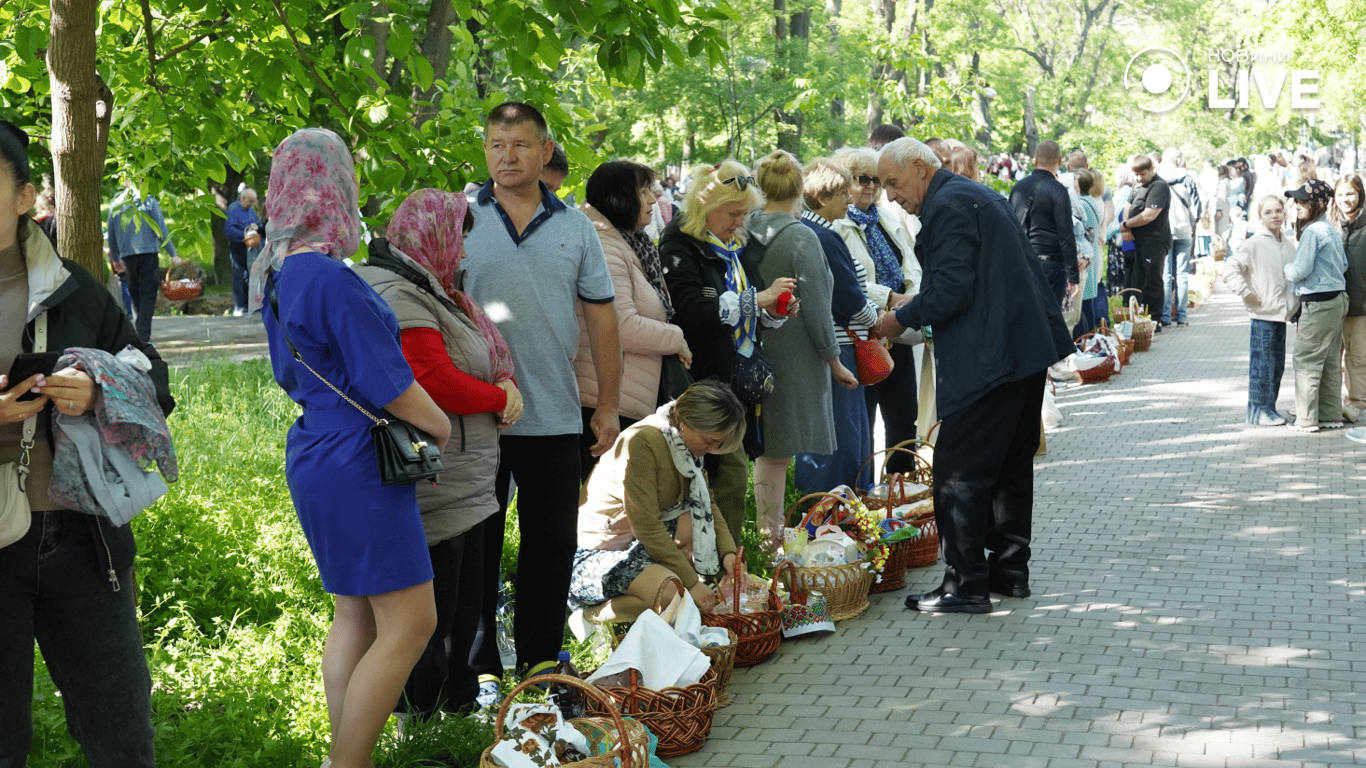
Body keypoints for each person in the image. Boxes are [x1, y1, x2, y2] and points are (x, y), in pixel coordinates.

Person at [250, 128, 450, 768]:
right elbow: (388, 382)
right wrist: (441, 426)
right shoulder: (332, 278)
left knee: (355, 618)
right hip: (358, 458)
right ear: (335, 188)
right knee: (411, 624)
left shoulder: (278, 274)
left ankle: (349, 756)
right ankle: (349, 763)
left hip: (315, 448)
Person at [0, 119, 175, 768]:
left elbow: (153, 377)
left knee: (123, 737)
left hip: (82, 538)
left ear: (24, 196)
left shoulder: (76, 288)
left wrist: (97, 386)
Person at [874, 137, 1072, 614]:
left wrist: (896, 319)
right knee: (1007, 468)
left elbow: (951, 291)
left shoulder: (947, 204)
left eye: (894, 183)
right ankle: (1010, 571)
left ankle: (965, 584)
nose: (891, 196)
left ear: (921, 168)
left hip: (992, 357)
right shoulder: (968, 194)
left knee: (957, 474)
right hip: (1021, 351)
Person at [461, 103, 622, 682]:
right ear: (485, 150)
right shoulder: (460, 217)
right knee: (476, 546)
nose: (508, 157)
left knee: (552, 544)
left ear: (545, 150)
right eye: (497, 145)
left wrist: (606, 405)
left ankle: (540, 663)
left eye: (521, 145)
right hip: (476, 416)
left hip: (554, 414)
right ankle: (476, 669)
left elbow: (603, 319)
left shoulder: (576, 226)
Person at [356, 189, 522, 716]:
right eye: (458, 240)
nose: (465, 253)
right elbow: (433, 380)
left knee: (465, 601)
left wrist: (502, 381)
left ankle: (456, 705)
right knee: (437, 613)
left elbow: (467, 355)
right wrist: (499, 396)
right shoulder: (402, 293)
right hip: (437, 475)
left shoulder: (436, 288)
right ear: (432, 237)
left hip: (464, 474)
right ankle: (422, 723)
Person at [660, 160, 795, 546]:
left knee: (731, 478)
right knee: (724, 476)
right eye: (734, 213)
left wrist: (772, 311)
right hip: (703, 381)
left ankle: (728, 570)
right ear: (707, 207)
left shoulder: (736, 247)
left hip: (736, 381)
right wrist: (757, 300)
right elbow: (690, 313)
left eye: (745, 214)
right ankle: (722, 571)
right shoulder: (679, 243)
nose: (740, 222)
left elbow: (746, 311)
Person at [747, 151, 853, 549]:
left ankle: (764, 536)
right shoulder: (800, 235)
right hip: (793, 355)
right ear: (799, 190)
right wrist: (835, 360)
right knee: (778, 452)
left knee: (766, 449)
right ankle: (768, 539)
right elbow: (818, 306)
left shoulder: (745, 228)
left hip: (751, 351)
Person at [572, 380, 745, 617]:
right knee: (675, 594)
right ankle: (591, 617)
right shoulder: (642, 443)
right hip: (592, 554)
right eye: (709, 441)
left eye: (719, 444)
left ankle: (665, 599)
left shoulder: (684, 444)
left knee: (691, 528)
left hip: (633, 544)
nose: (712, 449)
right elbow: (646, 525)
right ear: (686, 421)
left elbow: (708, 506)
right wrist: (691, 583)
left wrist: (729, 555)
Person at [575, 160, 692, 481]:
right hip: (606, 404)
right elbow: (621, 327)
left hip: (624, 398)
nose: (654, 199)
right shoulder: (607, 248)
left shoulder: (628, 242)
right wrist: (676, 337)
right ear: (618, 198)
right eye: (643, 192)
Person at [830, 147, 921, 473]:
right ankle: (865, 498)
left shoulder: (886, 218)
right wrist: (889, 299)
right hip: (862, 336)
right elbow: (847, 282)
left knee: (904, 418)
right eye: (862, 179)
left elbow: (911, 264)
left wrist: (910, 302)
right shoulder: (837, 226)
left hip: (900, 330)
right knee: (863, 424)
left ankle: (902, 491)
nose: (870, 186)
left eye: (876, 180)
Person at [795, 158, 881, 495]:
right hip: (840, 344)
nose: (849, 199)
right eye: (843, 193)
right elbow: (846, 297)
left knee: (837, 437)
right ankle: (839, 516)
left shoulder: (813, 231)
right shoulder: (823, 237)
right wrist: (878, 323)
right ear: (821, 196)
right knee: (844, 440)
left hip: (830, 343)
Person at [1221, 195, 1297, 426]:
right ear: (1260, 217)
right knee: (1261, 366)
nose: (1274, 215)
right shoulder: (1253, 243)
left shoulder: (1287, 243)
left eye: (1278, 211)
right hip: (1262, 315)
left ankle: (1270, 408)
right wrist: (1246, 293)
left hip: (1280, 314)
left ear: (1284, 213)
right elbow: (1230, 269)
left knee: (1277, 366)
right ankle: (1257, 411)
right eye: (1268, 212)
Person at [1282, 179, 1349, 433]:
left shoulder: (1312, 232)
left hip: (1319, 303)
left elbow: (1300, 270)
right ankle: (1331, 415)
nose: (1296, 205)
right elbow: (1342, 266)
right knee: (1330, 360)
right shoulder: (1330, 229)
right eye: (1296, 201)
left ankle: (1306, 419)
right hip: (1337, 300)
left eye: (1301, 201)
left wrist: (1286, 268)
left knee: (1306, 360)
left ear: (1317, 204)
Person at [106, 183, 181, 342]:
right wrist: (173, 254)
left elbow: (111, 234)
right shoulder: (148, 201)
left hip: (127, 256)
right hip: (148, 254)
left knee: (135, 295)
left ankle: (139, 334)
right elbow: (160, 229)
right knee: (148, 295)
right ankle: (143, 337)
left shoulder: (116, 204)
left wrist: (115, 258)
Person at [1008, 140, 1078, 305]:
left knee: (1026, 319)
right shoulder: (1058, 190)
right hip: (1050, 266)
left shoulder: (1018, 188)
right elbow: (1066, 234)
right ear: (1060, 161)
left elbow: (1010, 225)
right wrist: (1073, 275)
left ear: (1035, 160)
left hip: (1021, 262)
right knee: (1049, 321)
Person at [1120, 154, 1171, 327]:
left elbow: (1149, 214)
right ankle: (1139, 318)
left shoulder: (1159, 186)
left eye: (1143, 174)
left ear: (1152, 169)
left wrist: (1126, 224)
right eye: (1137, 174)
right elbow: (1128, 206)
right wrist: (1126, 227)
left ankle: (1154, 320)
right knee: (1137, 281)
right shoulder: (1137, 185)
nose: (1139, 178)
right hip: (1137, 241)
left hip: (1154, 241)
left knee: (1152, 280)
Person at [1159, 147, 1201, 328]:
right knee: (1182, 275)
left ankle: (1166, 316)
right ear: (1179, 160)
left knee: (1166, 275)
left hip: (1164, 230)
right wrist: (1190, 223)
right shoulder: (1188, 178)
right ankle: (1182, 316)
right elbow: (1197, 207)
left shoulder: (1158, 178)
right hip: (1184, 231)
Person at [1336, 175, 1366, 421]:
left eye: (1350, 193)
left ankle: (1356, 404)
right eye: (1340, 195)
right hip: (1332, 304)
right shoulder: (1331, 225)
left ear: (1360, 195)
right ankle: (1329, 404)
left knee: (1356, 358)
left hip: (1359, 305)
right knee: (1330, 356)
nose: (1345, 199)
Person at [225, 187, 261, 316]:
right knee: (239, 276)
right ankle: (239, 306)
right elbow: (229, 230)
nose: (252, 204)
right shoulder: (233, 209)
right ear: (243, 198)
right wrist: (245, 235)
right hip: (238, 246)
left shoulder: (251, 211)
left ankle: (251, 304)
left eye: (253, 201)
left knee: (251, 277)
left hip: (251, 248)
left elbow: (257, 223)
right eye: (250, 201)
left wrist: (256, 227)